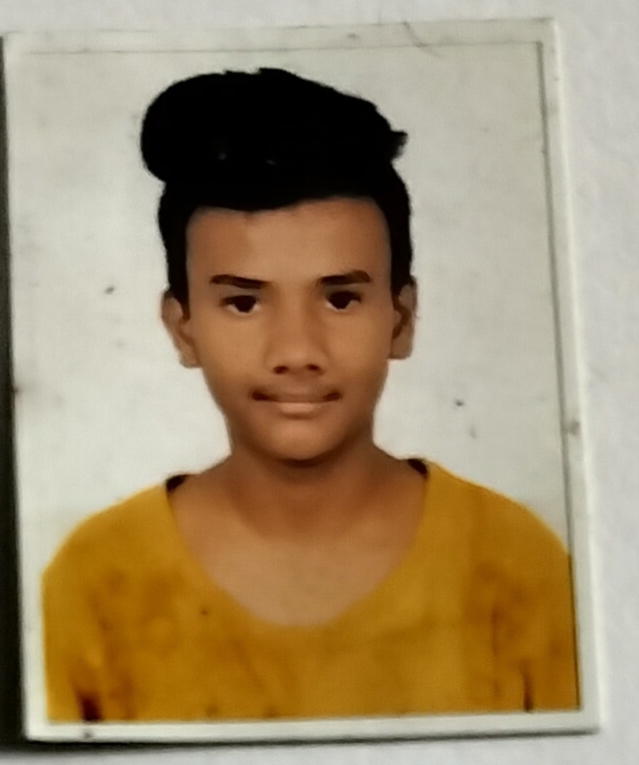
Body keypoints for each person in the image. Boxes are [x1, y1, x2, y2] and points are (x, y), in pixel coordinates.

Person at [41, 68, 578, 723]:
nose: (296, 351)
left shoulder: (518, 565)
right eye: (243, 303)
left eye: (340, 298)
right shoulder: (94, 580)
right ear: (183, 328)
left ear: (401, 319)